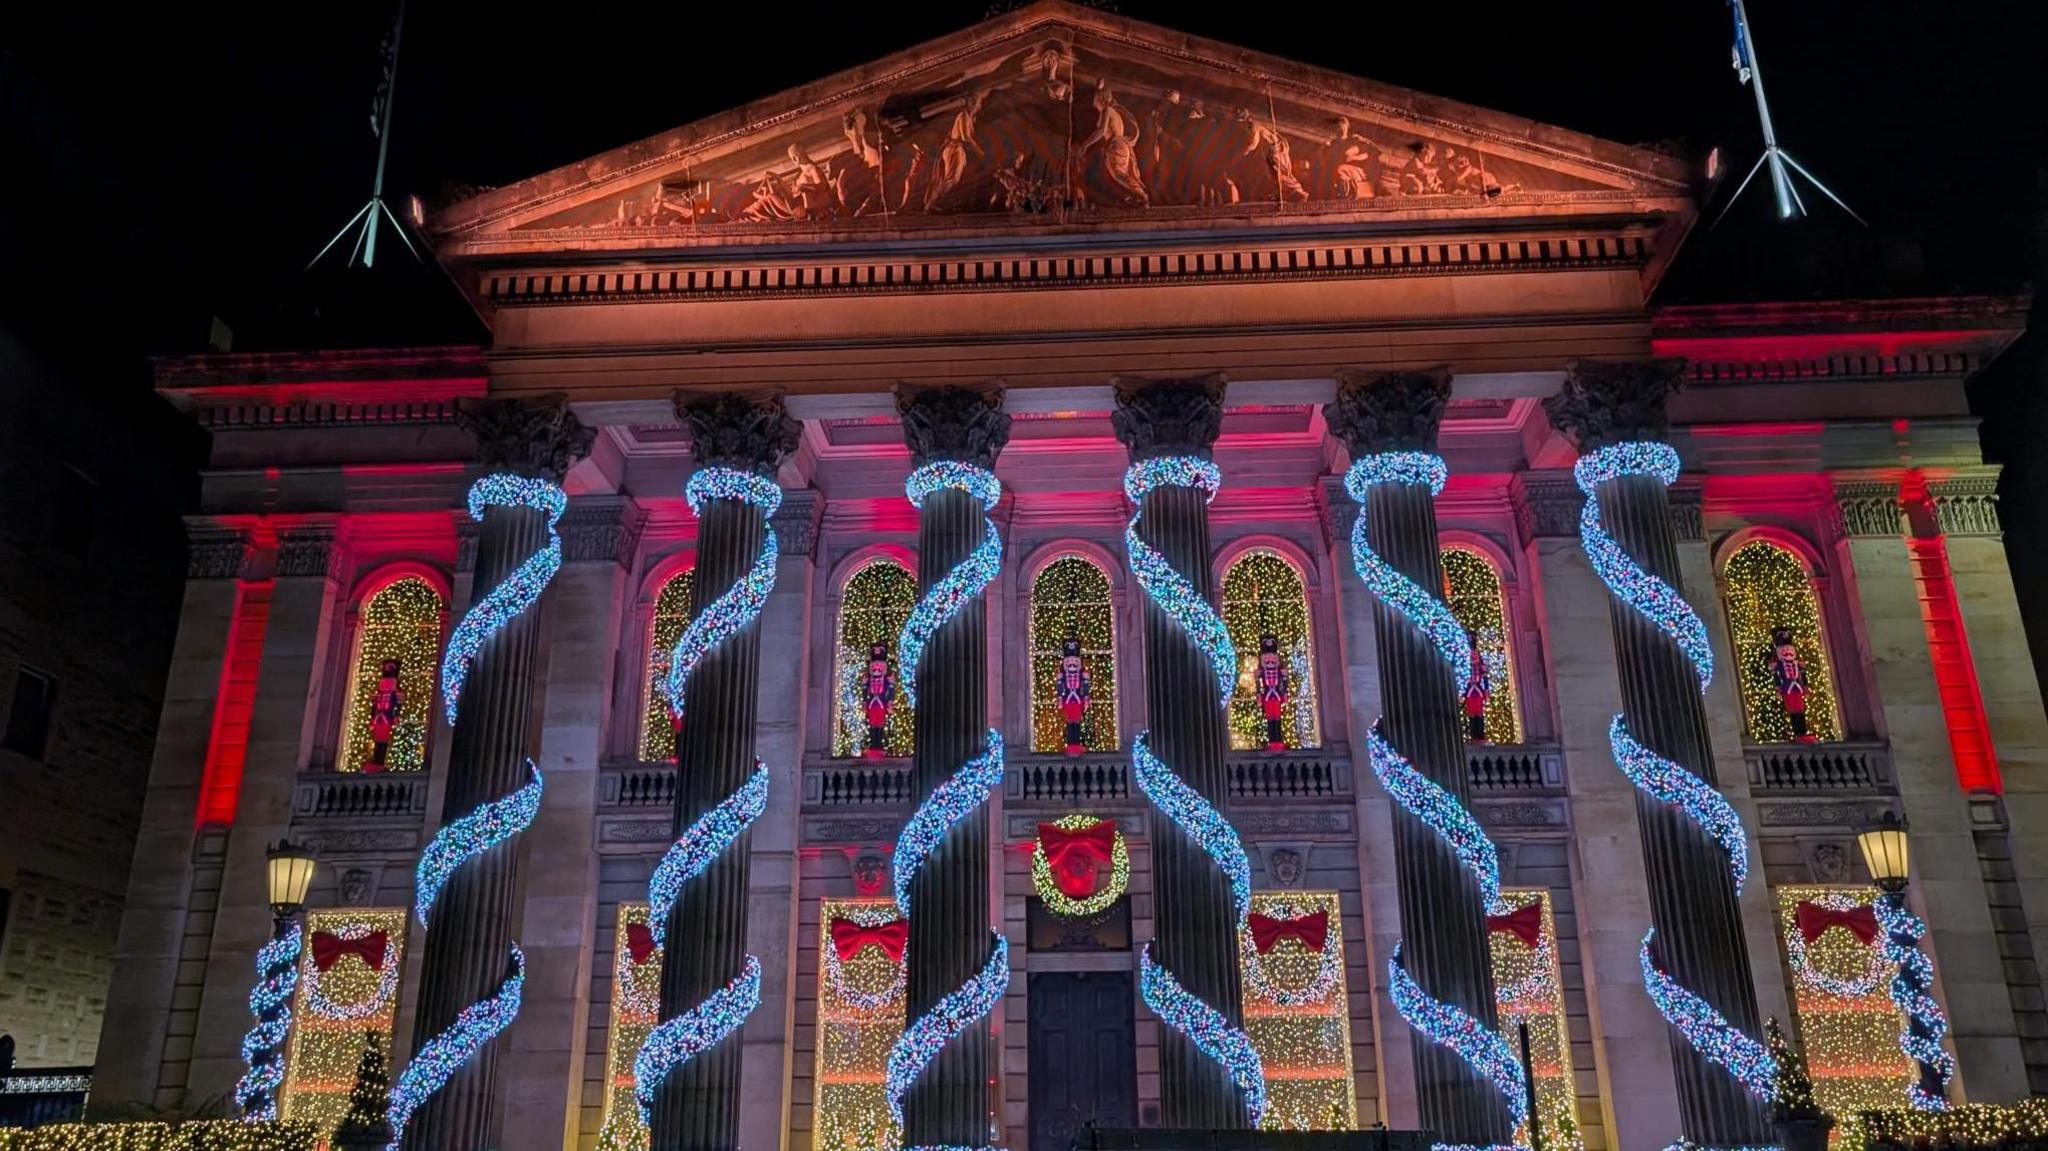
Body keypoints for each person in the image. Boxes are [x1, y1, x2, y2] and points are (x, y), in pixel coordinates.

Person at [1770, 626, 1817, 743]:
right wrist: (1778, 688)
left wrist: (1805, 686)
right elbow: (1776, 675)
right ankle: (1798, 733)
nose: (1787, 651)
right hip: (1788, 688)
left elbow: (1803, 674)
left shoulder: (1796, 662)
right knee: (1794, 711)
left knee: (1800, 710)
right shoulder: (1779, 663)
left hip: (1797, 687)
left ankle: (1802, 733)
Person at [1055, 630, 1091, 755]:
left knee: (1077, 723)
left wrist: (1086, 699)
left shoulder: (1083, 674)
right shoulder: (1061, 675)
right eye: (1069, 661)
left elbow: (1086, 687)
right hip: (1068, 700)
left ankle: (1076, 744)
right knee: (1070, 723)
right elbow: (1060, 687)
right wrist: (1060, 699)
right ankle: (1071, 744)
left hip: (1078, 700)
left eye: (1074, 661)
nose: (1072, 664)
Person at [363, 658, 403, 771]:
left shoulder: (394, 689)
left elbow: (398, 702)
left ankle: (380, 760)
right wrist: (372, 716)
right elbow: (375, 704)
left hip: (386, 716)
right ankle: (377, 760)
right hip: (380, 716)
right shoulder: (381, 689)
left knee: (383, 739)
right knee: (378, 738)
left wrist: (396, 715)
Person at [862, 641, 896, 759]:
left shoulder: (886, 675)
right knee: (872, 724)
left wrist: (890, 701)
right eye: (875, 666)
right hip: (873, 702)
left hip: (881, 702)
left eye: (879, 666)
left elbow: (891, 688)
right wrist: (864, 701)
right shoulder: (869, 675)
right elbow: (865, 688)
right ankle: (873, 745)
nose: (877, 668)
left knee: (880, 724)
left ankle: (879, 745)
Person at [1256, 633, 1289, 751]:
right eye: (1267, 659)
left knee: (1277, 718)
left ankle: (1278, 740)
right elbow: (1258, 684)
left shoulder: (1279, 669)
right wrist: (1259, 694)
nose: (1270, 661)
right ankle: (1272, 740)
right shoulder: (1262, 671)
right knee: (1270, 718)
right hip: (1268, 696)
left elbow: (1284, 681)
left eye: (1272, 658)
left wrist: (1285, 692)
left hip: (1276, 695)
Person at [1464, 638, 1490, 742]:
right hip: (1470, 691)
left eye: (1475, 654)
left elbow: (1485, 678)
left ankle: (1480, 735)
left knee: (1479, 713)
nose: (1473, 656)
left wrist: (1487, 691)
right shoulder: (1465, 666)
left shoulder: (1481, 666)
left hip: (1478, 691)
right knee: (1472, 713)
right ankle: (1474, 735)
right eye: (1472, 654)